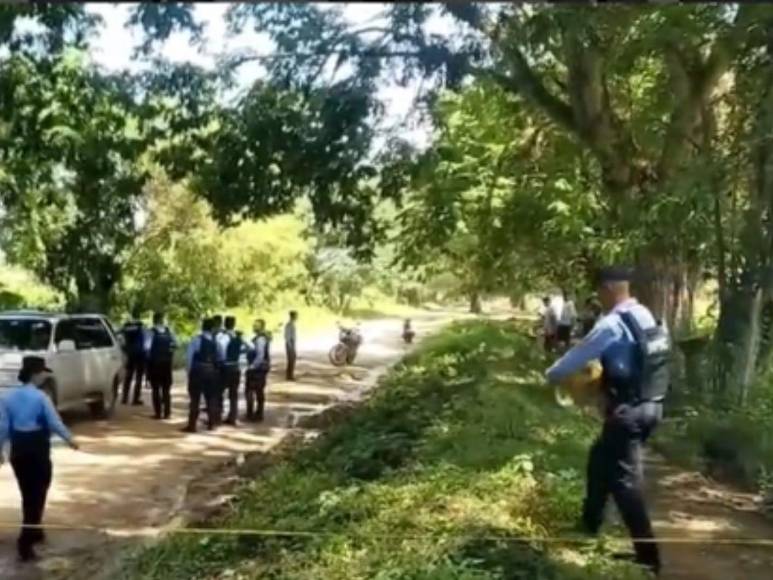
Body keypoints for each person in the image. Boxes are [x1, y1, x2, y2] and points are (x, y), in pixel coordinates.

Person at [545, 266, 670, 576]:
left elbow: (573, 360)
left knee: (626, 483)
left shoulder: (612, 324)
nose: (599, 298)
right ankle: (589, 525)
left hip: (627, 413)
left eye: (600, 292)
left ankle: (648, 559)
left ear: (609, 289)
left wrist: (550, 375)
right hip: (652, 406)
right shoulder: (646, 316)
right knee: (599, 459)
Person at [0, 356, 80, 561]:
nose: (44, 375)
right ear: (35, 374)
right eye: (42, 372)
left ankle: (35, 529)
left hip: (18, 448)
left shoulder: (7, 397)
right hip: (37, 447)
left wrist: (0, 450)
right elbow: (54, 422)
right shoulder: (41, 398)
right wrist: (70, 439)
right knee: (39, 491)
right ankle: (25, 542)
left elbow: (3, 428)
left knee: (27, 492)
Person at [183, 318, 220, 433]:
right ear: (212, 328)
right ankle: (212, 423)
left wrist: (189, 371)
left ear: (202, 327)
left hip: (198, 370)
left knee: (195, 398)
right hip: (211, 371)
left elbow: (189, 357)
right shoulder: (215, 341)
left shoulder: (196, 340)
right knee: (211, 398)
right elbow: (220, 356)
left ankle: (192, 425)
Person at [144, 312, 178, 420]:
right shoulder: (169, 331)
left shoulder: (151, 332)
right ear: (162, 320)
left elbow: (147, 348)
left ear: (154, 320)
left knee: (155, 389)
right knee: (166, 389)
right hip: (167, 364)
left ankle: (158, 413)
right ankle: (167, 413)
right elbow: (176, 345)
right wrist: (169, 352)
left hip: (155, 364)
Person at [219, 315, 247, 425]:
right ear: (234, 324)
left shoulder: (223, 336)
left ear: (224, 324)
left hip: (225, 367)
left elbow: (221, 350)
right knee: (233, 394)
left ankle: (217, 414)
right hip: (236, 367)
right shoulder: (238, 336)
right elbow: (250, 347)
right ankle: (233, 416)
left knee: (219, 392)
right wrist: (241, 353)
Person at [245, 318, 271, 422]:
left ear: (261, 327)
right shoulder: (262, 338)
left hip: (258, 368)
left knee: (251, 390)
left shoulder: (260, 339)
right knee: (259, 390)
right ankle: (258, 412)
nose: (254, 326)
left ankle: (253, 413)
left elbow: (260, 355)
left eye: (256, 325)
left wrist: (252, 366)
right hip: (262, 367)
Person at [120, 307, 146, 406]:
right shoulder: (140, 326)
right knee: (139, 377)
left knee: (128, 376)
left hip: (130, 354)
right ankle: (135, 398)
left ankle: (124, 397)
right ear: (139, 316)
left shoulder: (126, 326)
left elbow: (121, 337)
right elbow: (144, 341)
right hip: (140, 354)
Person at [284, 310, 298, 381]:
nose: (297, 317)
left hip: (292, 343)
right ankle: (289, 375)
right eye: (296, 315)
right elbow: (287, 336)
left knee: (293, 359)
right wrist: (290, 345)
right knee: (291, 359)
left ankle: (290, 374)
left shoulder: (292, 324)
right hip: (290, 343)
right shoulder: (289, 325)